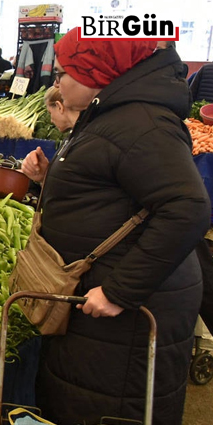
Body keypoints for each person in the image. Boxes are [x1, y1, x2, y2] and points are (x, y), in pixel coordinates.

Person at [24, 29, 209, 425]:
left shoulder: (142, 124)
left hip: (125, 315)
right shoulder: (113, 113)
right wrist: (47, 180)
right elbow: (113, 190)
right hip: (99, 304)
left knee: (109, 407)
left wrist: (119, 292)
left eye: (63, 73)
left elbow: (188, 208)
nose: (56, 84)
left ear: (94, 73)